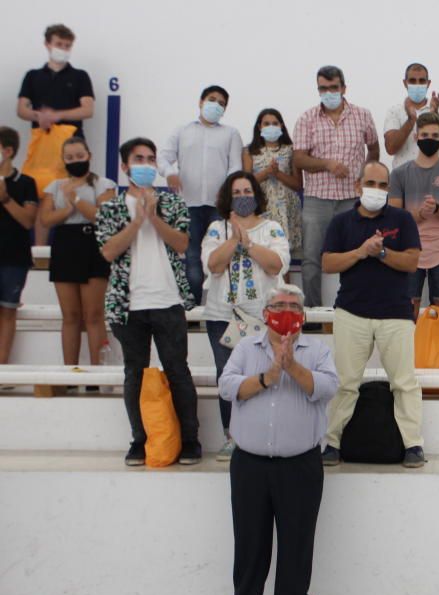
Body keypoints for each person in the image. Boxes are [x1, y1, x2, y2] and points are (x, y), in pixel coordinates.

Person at [216, 284, 338, 595]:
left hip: (300, 463)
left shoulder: (317, 349)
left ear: (303, 314)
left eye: (293, 305)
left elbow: (328, 388)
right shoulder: (245, 346)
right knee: (250, 537)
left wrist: (292, 367)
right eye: (279, 304)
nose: (286, 310)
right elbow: (226, 387)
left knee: (297, 538)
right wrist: (268, 377)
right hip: (250, 464)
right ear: (265, 312)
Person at [95, 137, 202, 467]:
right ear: (125, 167)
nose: (146, 164)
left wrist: (153, 218)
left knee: (178, 370)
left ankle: (189, 441)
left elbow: (183, 244)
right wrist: (137, 221)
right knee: (134, 373)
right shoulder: (111, 207)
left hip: (168, 300)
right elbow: (109, 251)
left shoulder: (171, 204)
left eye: (151, 159)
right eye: (138, 159)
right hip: (128, 307)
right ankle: (139, 440)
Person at [320, 161, 425, 468]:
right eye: (371, 184)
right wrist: (361, 251)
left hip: (396, 314)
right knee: (345, 381)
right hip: (351, 312)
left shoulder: (403, 219)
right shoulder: (341, 223)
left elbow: (411, 262)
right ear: (357, 186)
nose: (376, 190)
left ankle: (413, 444)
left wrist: (381, 252)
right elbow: (327, 263)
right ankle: (332, 442)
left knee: (404, 382)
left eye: (382, 185)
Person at [202, 172, 290, 462]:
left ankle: (264, 432)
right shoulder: (216, 228)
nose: (242, 197)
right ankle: (232, 435)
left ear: (256, 195)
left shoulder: (272, 228)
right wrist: (233, 236)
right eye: (237, 192)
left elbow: (276, 265)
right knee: (228, 377)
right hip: (222, 317)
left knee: (265, 374)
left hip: (262, 320)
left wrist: (249, 243)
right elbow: (213, 265)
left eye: (247, 191)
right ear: (229, 196)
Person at [293, 66, 379, 309]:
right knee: (311, 258)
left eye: (333, 88)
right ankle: (312, 314)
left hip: (352, 199)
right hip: (316, 199)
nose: (328, 92)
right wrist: (327, 164)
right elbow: (298, 159)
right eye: (323, 88)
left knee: (357, 255)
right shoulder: (306, 118)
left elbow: (373, 149)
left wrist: (365, 175)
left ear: (343, 88)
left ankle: (354, 308)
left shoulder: (362, 115)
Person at [158, 85, 243, 305]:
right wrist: (170, 173)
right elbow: (163, 158)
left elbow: (235, 167)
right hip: (189, 205)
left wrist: (225, 194)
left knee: (219, 258)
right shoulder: (182, 131)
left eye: (222, 103)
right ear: (201, 101)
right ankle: (192, 309)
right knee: (193, 259)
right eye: (212, 99)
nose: (216, 105)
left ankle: (220, 307)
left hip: (219, 207)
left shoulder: (230, 133)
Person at [38, 136, 114, 368]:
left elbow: (102, 216)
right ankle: (69, 372)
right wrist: (69, 207)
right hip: (65, 245)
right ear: (63, 160)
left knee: (93, 315)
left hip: (93, 244)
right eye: (69, 157)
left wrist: (76, 199)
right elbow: (46, 218)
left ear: (89, 155)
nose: (75, 161)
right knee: (70, 316)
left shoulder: (104, 184)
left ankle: (96, 372)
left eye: (79, 156)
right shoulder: (55, 186)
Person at [387, 112, 439, 318]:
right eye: (424, 135)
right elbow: (394, 217)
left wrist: (437, 209)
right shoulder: (398, 174)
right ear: (416, 138)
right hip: (409, 250)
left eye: (434, 135)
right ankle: (409, 352)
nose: (429, 139)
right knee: (405, 314)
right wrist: (418, 214)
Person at [242, 108, 303, 266]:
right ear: (259, 127)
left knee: (282, 255)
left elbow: (298, 184)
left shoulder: (291, 149)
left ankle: (284, 289)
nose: (271, 126)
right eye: (266, 123)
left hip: (286, 208)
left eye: (275, 123)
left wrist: (278, 174)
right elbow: (246, 183)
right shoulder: (249, 151)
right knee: (260, 252)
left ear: (281, 126)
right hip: (261, 206)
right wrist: (267, 172)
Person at [0, 127, 39, 365]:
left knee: (7, 312)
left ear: (8, 151)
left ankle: (2, 369)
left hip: (14, 258)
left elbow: (27, 220)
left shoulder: (26, 183)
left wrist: (5, 198)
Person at [16, 24, 95, 135]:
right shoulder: (32, 76)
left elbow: (88, 110)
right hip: (42, 137)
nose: (63, 49)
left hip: (72, 140)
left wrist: (57, 115)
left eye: (67, 46)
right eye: (59, 44)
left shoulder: (80, 76)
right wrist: (39, 116)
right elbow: (21, 110)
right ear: (47, 44)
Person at [383, 63, 439, 168]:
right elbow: (390, 148)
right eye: (412, 81)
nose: (417, 84)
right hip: (404, 178)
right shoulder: (394, 111)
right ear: (405, 83)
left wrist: (436, 115)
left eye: (422, 81)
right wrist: (411, 120)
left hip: (437, 177)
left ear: (428, 83)